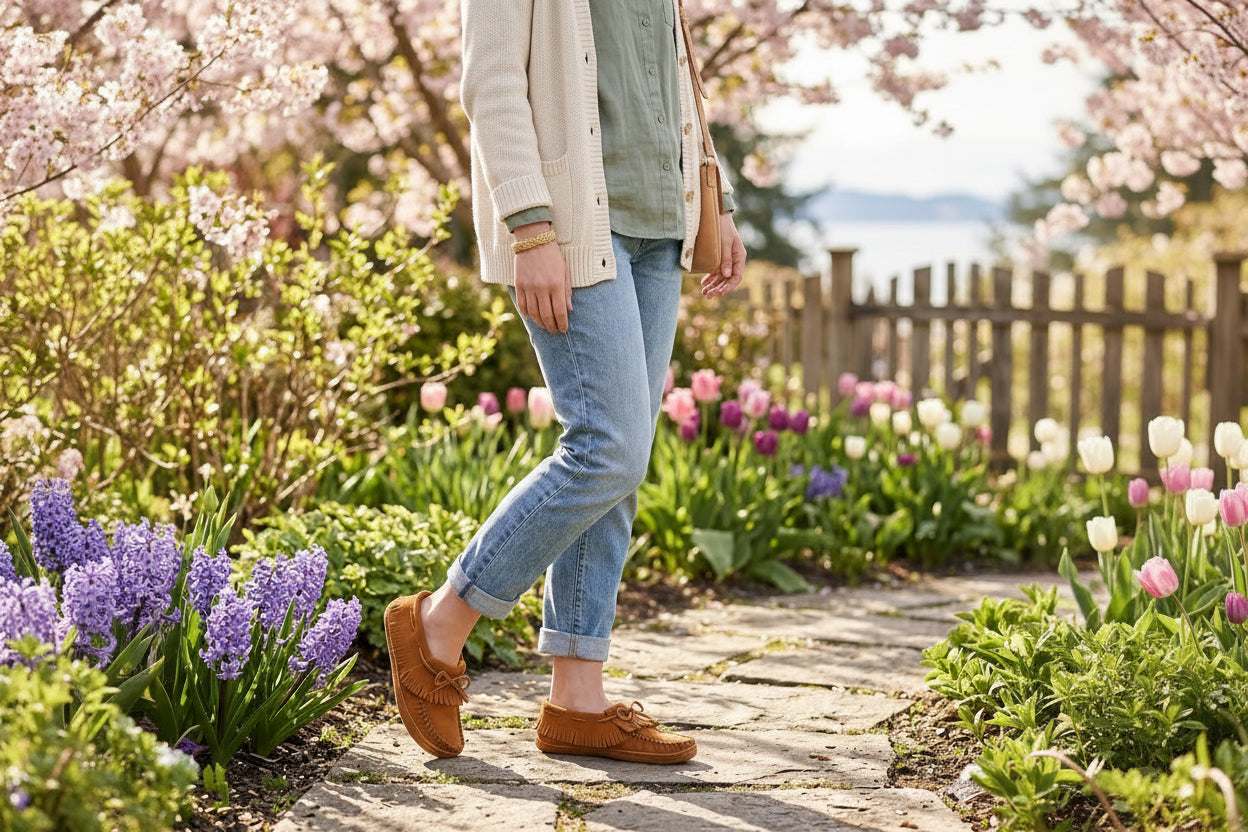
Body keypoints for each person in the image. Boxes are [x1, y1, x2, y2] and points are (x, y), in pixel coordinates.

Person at [384, 0, 747, 765]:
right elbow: (490, 83)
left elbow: (671, 74)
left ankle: (577, 697)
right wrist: (530, 224)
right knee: (607, 449)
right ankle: (442, 620)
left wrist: (719, 204)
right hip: (575, 222)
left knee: (621, 465)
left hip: (660, 221)